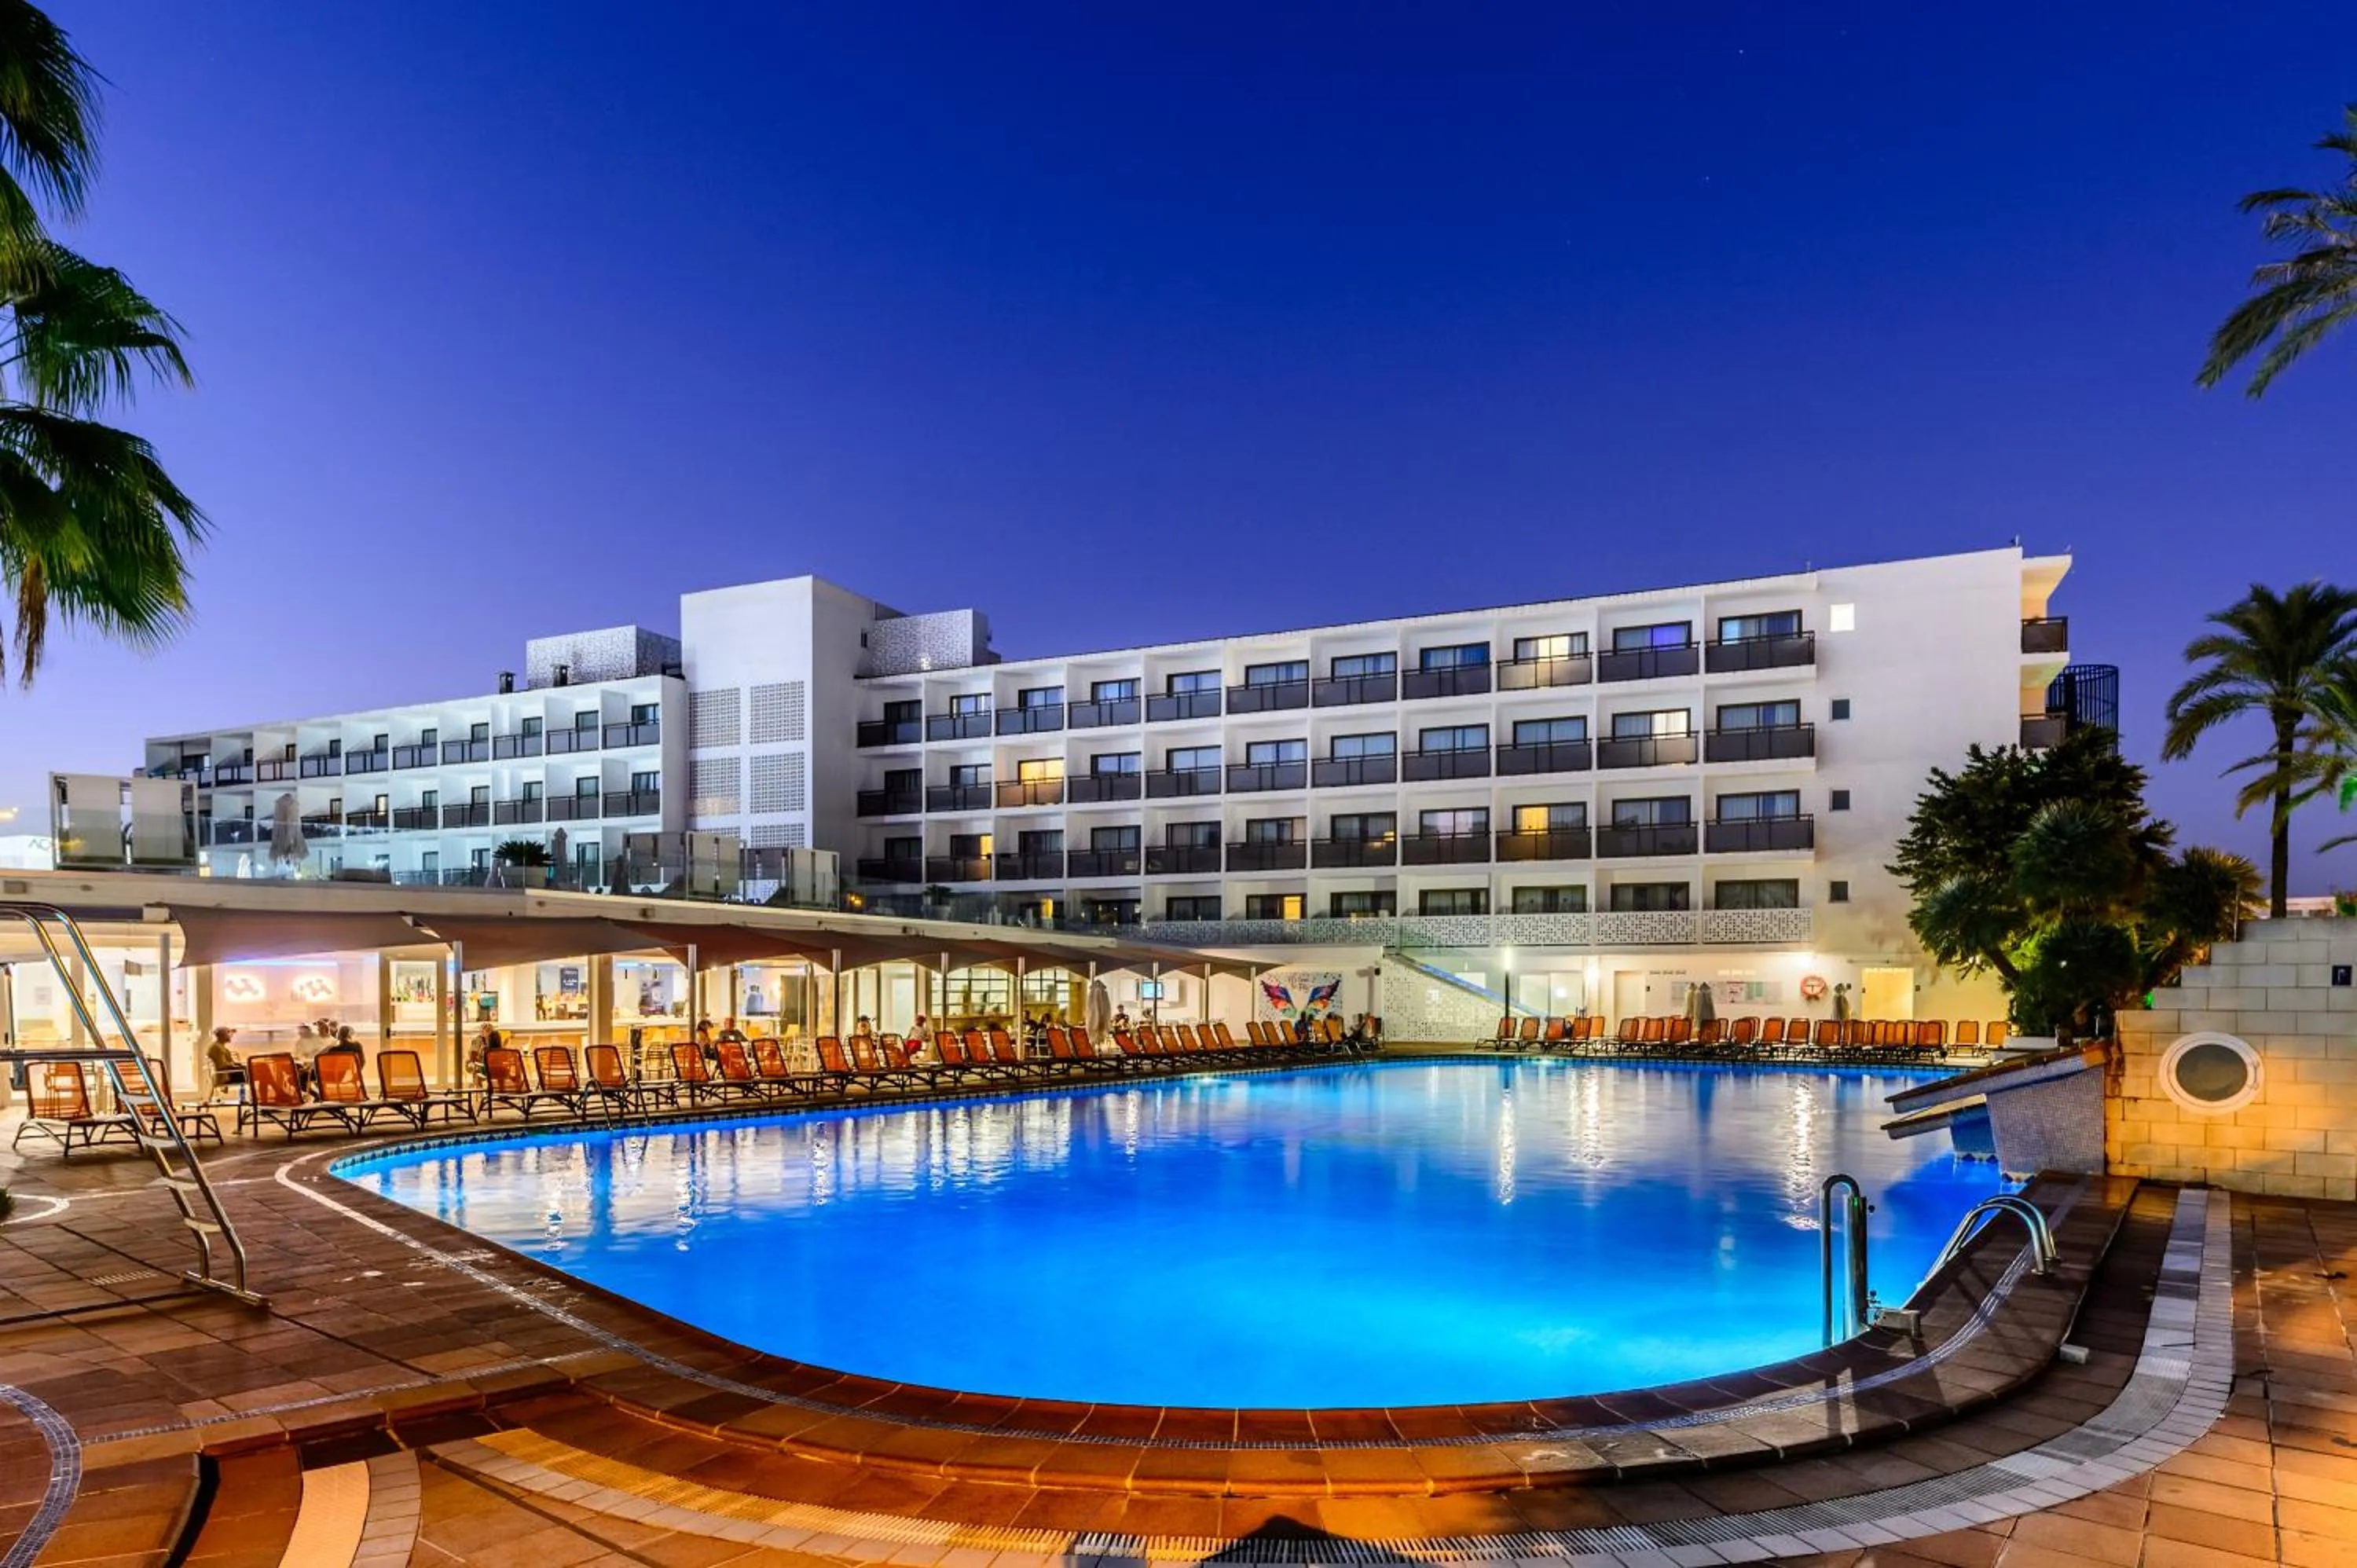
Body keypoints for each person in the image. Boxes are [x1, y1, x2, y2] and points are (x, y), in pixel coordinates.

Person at [205, 1027, 244, 1100]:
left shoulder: (218, 1046)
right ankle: (259, 1101)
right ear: (222, 1036)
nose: (230, 1036)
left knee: (253, 1070)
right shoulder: (217, 1048)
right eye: (228, 1034)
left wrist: (236, 1065)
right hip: (224, 1076)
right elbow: (222, 1065)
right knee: (255, 1073)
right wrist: (234, 1066)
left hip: (225, 1073)